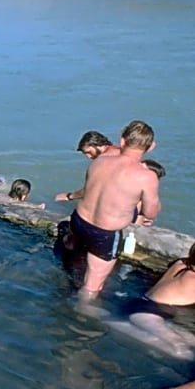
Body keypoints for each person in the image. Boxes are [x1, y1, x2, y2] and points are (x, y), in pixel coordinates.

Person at [71, 120, 161, 299]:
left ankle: (68, 285)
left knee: (77, 263)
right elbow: (150, 213)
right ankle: (81, 318)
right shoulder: (147, 176)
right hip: (104, 232)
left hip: (79, 220)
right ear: (151, 147)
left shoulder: (100, 160)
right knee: (92, 285)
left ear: (122, 141)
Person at [55, 131, 121, 202]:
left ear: (95, 145)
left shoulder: (103, 160)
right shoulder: (120, 149)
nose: (88, 157)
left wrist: (69, 196)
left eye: (88, 152)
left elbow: (91, 189)